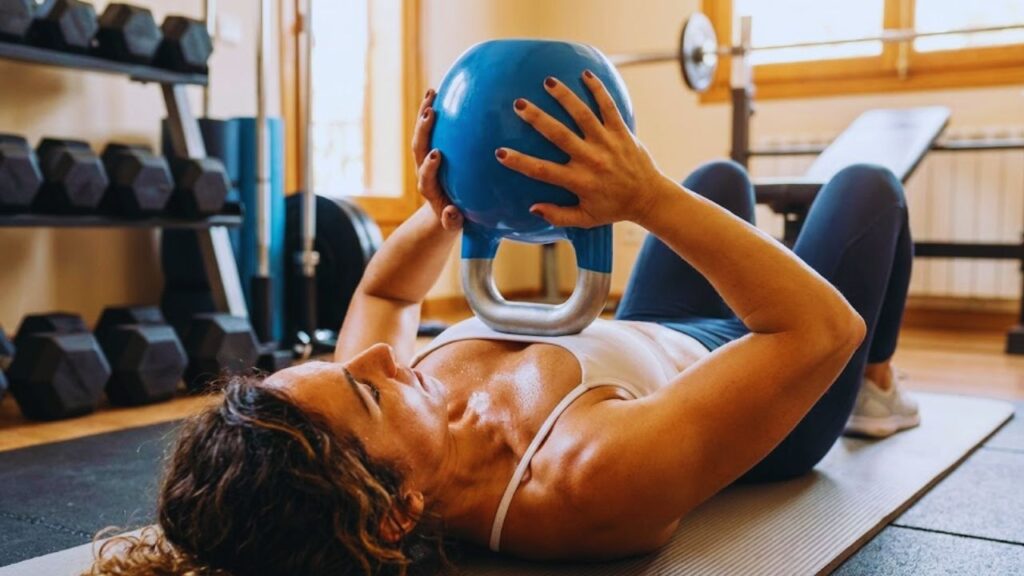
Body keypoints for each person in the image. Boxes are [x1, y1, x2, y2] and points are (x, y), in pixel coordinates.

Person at [89, 71, 919, 576]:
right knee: (866, 189)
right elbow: (819, 330)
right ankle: (876, 391)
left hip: (653, 327)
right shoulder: (582, 479)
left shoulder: (376, 425)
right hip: (778, 377)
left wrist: (444, 206)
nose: (376, 359)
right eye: (368, 393)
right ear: (397, 512)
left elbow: (388, 295)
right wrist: (646, 198)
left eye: (343, 369)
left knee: (718, 177)